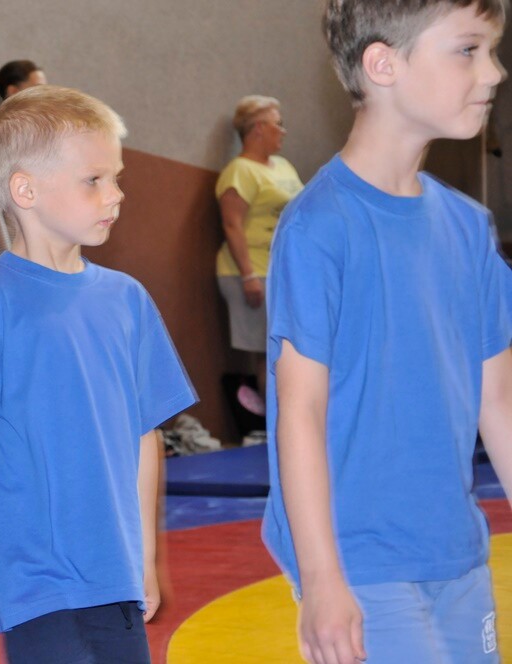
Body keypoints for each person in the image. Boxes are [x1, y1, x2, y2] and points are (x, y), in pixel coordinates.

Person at [263, 1, 511, 662]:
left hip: (454, 551)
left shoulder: (468, 228)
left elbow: (499, 402)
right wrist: (322, 579)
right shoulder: (320, 227)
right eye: (469, 50)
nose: (494, 72)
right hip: (360, 563)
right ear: (383, 64)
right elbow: (300, 410)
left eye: (492, 51)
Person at [0, 86, 197, 664]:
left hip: (112, 566)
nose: (116, 194)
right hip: (32, 573)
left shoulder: (127, 300)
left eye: (116, 178)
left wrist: (145, 558)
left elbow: (144, 437)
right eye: (94, 180)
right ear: (25, 190)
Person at [215, 95, 303, 417]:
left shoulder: (284, 166)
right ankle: (272, 425)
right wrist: (249, 276)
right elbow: (232, 224)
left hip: (280, 271)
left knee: (287, 348)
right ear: (258, 129)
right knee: (268, 351)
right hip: (250, 272)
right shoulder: (239, 171)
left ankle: (284, 421)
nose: (284, 131)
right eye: (278, 124)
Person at [0, 60, 47, 260]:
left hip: (32, 255)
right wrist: (7, 260)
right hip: (9, 256)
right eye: (37, 88)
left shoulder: (32, 136)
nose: (44, 94)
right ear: (13, 91)